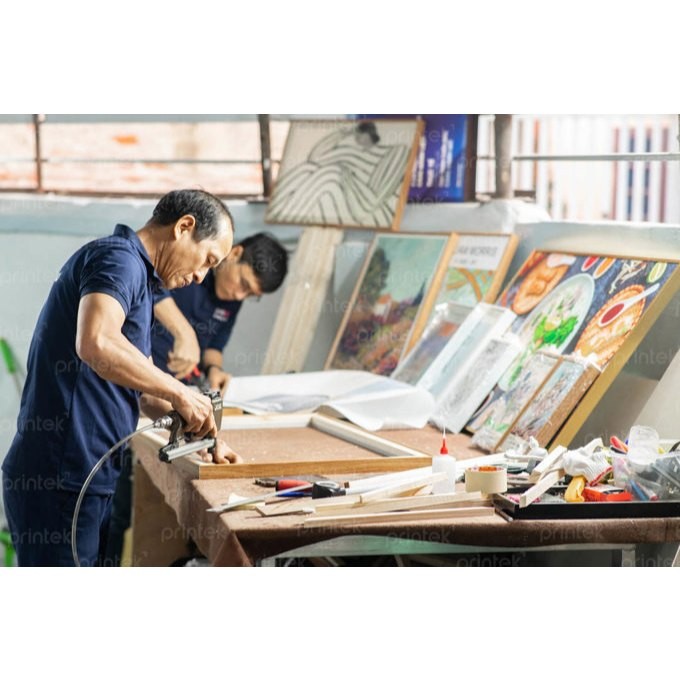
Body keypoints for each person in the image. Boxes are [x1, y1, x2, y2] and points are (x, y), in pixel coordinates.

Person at [2, 189, 240, 567]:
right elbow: (96, 342)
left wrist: (203, 432)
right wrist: (181, 392)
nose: (200, 277)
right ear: (184, 227)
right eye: (207, 260)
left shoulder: (141, 282)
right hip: (60, 477)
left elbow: (144, 393)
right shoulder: (117, 260)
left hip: (86, 476)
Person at [151, 232, 289, 392]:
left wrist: (214, 369)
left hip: (177, 387)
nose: (240, 296)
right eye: (244, 284)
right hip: (141, 370)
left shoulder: (233, 301)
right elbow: (150, 285)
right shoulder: (195, 259)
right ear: (235, 253)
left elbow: (215, 345)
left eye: (251, 294)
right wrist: (184, 333)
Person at [267, 121, 410, 227]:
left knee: (333, 173)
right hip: (345, 194)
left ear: (368, 133)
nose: (355, 137)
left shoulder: (395, 151)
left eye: (358, 133)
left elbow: (373, 200)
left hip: (366, 205)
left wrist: (346, 176)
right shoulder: (350, 150)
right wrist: (341, 134)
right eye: (354, 133)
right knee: (307, 168)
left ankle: (286, 214)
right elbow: (314, 159)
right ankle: (278, 213)